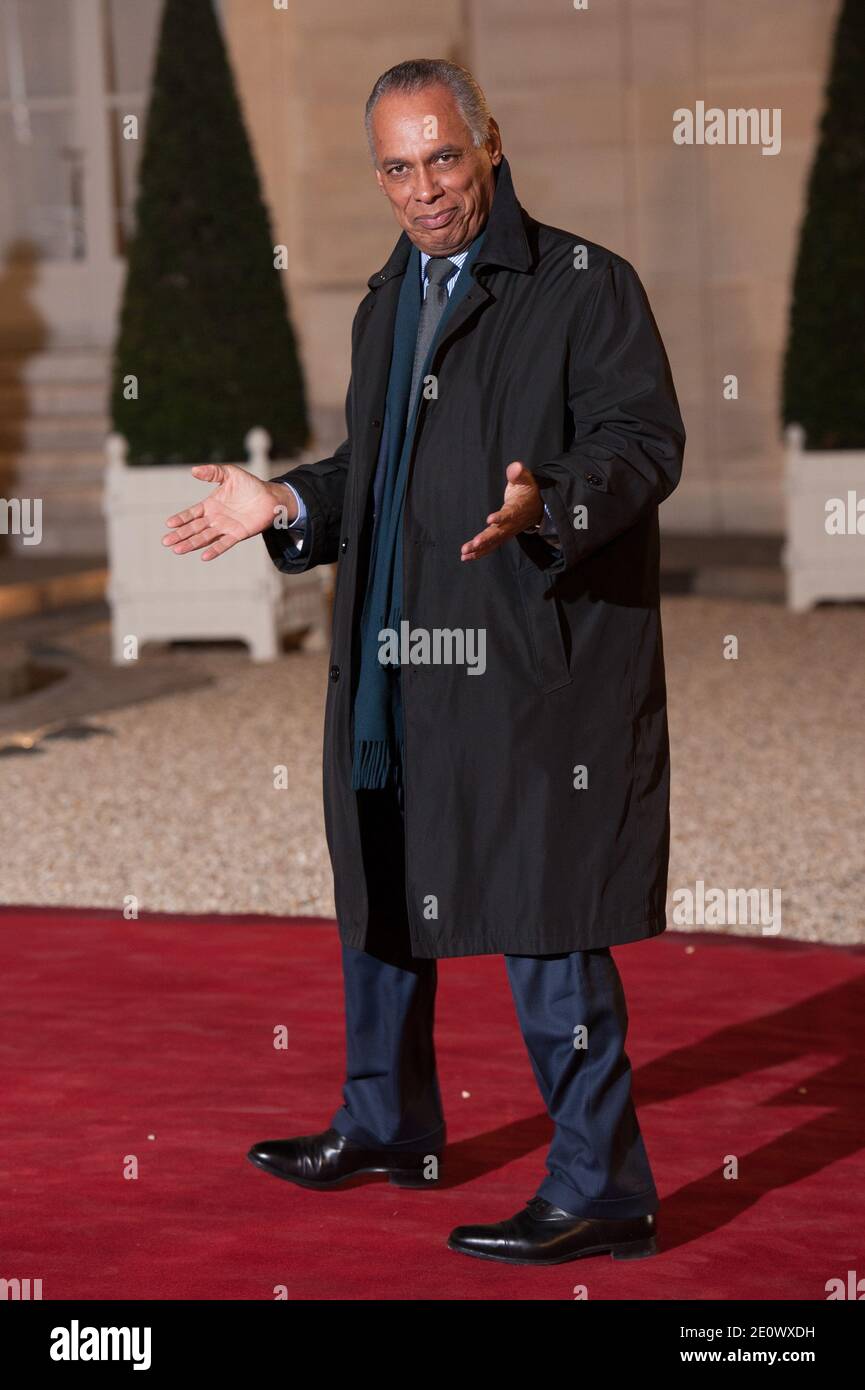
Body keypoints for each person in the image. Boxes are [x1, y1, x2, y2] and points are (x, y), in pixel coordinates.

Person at [162, 58, 685, 1266]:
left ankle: (603, 1186)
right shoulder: (385, 301)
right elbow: (374, 474)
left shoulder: (582, 284)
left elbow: (643, 439)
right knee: (385, 890)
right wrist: (285, 499)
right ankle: (389, 1123)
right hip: (392, 655)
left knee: (544, 911)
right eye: (396, 167)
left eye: (441, 157)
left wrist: (548, 500)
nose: (423, 189)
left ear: (487, 143)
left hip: (527, 659)